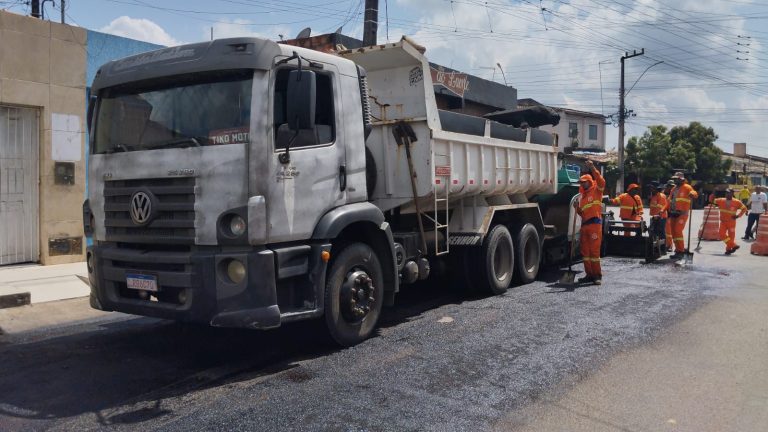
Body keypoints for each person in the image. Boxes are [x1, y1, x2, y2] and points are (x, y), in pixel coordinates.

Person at [573, 160, 605, 285]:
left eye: (583, 182)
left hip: (595, 225)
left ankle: (597, 275)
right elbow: (582, 214)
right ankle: (589, 274)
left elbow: (601, 180)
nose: (582, 184)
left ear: (589, 181)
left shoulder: (597, 190)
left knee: (594, 252)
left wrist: (592, 167)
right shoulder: (583, 197)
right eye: (580, 182)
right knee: (585, 252)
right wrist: (577, 208)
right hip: (585, 226)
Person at [667, 172, 699, 259]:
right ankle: (677, 250)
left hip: (682, 214)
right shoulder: (673, 189)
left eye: (676, 179)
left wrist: (693, 194)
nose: (675, 180)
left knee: (677, 230)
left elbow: (694, 193)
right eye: (674, 179)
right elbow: (669, 200)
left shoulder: (687, 187)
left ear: (681, 179)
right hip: (673, 213)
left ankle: (681, 250)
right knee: (673, 232)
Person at [711, 188, 748, 254]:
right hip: (723, 222)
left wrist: (738, 216)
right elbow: (712, 201)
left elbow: (744, 209)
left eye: (729, 193)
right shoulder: (721, 200)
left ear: (732, 193)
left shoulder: (737, 202)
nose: (727, 194)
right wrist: (712, 195)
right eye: (726, 193)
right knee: (721, 234)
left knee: (731, 236)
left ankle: (728, 249)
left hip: (732, 222)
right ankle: (733, 245)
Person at [648, 183, 669, 251]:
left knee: (661, 232)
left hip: (660, 217)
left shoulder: (661, 196)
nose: (651, 189)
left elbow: (661, 207)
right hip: (654, 216)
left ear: (656, 189)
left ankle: (663, 248)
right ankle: (656, 247)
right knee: (654, 232)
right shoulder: (654, 196)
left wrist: (658, 215)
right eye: (650, 188)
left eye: (652, 188)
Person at [663, 180, 675, 250]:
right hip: (662, 214)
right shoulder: (663, 194)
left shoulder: (674, 194)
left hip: (670, 214)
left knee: (668, 231)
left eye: (672, 186)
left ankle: (669, 245)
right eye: (670, 186)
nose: (671, 188)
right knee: (662, 231)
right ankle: (663, 244)